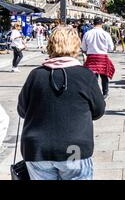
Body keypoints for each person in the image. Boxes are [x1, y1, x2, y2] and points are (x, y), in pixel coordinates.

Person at [17, 26, 105, 180]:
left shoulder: (36, 75)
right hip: (74, 149)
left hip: (37, 150)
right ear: (76, 47)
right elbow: (98, 111)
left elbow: (22, 110)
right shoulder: (85, 75)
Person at [81, 17, 115, 99]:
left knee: (93, 77)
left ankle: (94, 93)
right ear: (101, 24)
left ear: (93, 24)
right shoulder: (106, 34)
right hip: (102, 57)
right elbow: (111, 48)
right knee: (104, 76)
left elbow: (83, 48)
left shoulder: (87, 33)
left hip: (91, 57)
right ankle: (105, 93)